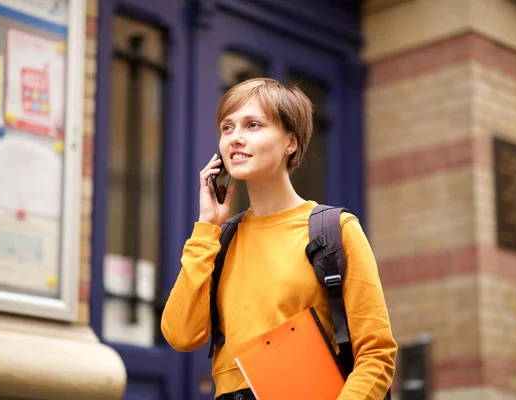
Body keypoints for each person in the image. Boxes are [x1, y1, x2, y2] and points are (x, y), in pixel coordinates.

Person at [161, 78, 397, 400]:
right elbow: (180, 334)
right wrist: (206, 228)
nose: (235, 138)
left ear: (291, 142)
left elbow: (376, 353)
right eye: (227, 128)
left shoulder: (335, 229)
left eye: (253, 125)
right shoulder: (221, 240)